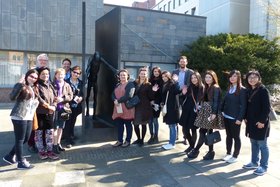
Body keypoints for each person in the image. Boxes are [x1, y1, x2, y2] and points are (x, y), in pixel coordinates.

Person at [3, 69, 39, 169]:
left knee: (26, 138)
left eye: (35, 78)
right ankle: (21, 162)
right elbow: (12, 97)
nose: (33, 79)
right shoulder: (21, 86)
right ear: (27, 76)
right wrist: (19, 84)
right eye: (31, 76)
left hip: (29, 116)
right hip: (19, 116)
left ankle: (10, 156)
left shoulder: (33, 87)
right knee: (19, 139)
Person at [188, 70, 222, 160]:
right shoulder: (208, 86)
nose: (207, 79)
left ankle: (196, 150)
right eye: (206, 77)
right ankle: (211, 152)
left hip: (210, 112)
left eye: (209, 77)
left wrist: (214, 113)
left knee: (202, 131)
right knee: (208, 132)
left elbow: (216, 101)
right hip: (205, 110)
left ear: (214, 78)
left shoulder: (215, 87)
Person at [243, 70, 270, 176]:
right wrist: (245, 117)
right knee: (253, 143)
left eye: (254, 77)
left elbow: (267, 108)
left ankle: (263, 166)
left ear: (259, 78)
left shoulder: (263, 90)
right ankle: (254, 162)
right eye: (250, 77)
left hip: (260, 122)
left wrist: (262, 121)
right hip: (251, 122)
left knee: (262, 144)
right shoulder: (249, 90)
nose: (252, 79)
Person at [221, 70, 247, 163]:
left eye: (235, 76)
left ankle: (235, 156)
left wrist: (240, 118)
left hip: (235, 118)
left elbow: (244, 106)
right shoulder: (230, 87)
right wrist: (222, 111)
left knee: (236, 137)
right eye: (231, 76)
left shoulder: (242, 90)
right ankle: (228, 153)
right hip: (227, 116)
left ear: (239, 78)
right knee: (228, 136)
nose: (232, 78)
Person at [28, 53, 50, 153]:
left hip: (44, 105)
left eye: (45, 60)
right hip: (34, 104)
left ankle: (43, 143)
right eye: (41, 60)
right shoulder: (34, 71)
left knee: (42, 126)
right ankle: (31, 144)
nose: (43, 62)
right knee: (34, 127)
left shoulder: (47, 71)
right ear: (38, 61)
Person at [35, 67, 58, 160]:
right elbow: (38, 98)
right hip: (40, 113)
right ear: (39, 75)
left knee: (50, 132)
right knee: (39, 133)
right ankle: (41, 151)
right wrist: (49, 106)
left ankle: (49, 151)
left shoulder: (50, 84)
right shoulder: (37, 86)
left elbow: (56, 97)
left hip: (50, 112)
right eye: (43, 74)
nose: (45, 76)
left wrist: (54, 106)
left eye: (47, 74)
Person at [179, 71, 204, 154]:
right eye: (192, 78)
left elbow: (204, 101)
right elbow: (183, 97)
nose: (193, 79)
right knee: (185, 130)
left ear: (198, 78)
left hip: (194, 111)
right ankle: (191, 145)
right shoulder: (189, 87)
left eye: (195, 78)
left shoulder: (202, 88)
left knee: (193, 130)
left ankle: (192, 147)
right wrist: (183, 94)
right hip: (186, 110)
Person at [172, 56, 194, 143]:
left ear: (186, 62)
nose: (182, 63)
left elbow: (192, 83)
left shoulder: (190, 72)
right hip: (177, 95)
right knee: (175, 114)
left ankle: (185, 137)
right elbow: (172, 83)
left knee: (185, 116)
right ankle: (175, 134)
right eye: (181, 61)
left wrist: (187, 88)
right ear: (179, 62)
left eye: (184, 61)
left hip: (186, 96)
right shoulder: (174, 71)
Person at [132, 68, 156, 146]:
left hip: (145, 107)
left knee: (143, 124)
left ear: (147, 75)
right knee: (135, 124)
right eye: (142, 73)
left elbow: (151, 96)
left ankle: (142, 140)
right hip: (136, 106)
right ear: (139, 74)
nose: (143, 75)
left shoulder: (148, 84)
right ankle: (138, 138)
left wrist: (153, 91)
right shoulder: (135, 83)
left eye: (144, 74)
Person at [112, 69, 135, 147]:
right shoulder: (117, 85)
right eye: (121, 75)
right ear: (119, 76)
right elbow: (112, 94)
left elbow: (129, 95)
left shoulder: (130, 84)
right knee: (119, 125)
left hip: (127, 108)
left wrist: (118, 100)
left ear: (127, 76)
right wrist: (114, 99)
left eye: (124, 75)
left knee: (128, 125)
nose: (122, 76)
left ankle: (128, 141)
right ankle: (120, 140)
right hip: (118, 108)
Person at [52, 68, 73, 154]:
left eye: (62, 74)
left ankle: (59, 143)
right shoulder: (52, 84)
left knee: (61, 127)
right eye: (58, 74)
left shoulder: (67, 84)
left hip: (64, 109)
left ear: (64, 75)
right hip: (55, 109)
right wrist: (56, 99)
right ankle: (54, 145)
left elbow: (70, 96)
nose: (60, 76)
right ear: (56, 75)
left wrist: (63, 99)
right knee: (55, 128)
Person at [160, 71, 181, 150]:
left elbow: (177, 91)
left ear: (169, 76)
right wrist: (162, 102)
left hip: (173, 108)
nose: (164, 78)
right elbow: (164, 96)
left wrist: (176, 81)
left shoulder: (173, 84)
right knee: (170, 126)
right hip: (168, 108)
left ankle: (172, 143)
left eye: (165, 76)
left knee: (173, 126)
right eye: (163, 77)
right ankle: (170, 142)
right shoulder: (164, 84)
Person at [64, 66, 83, 148]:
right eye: (74, 72)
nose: (76, 74)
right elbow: (64, 94)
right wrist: (73, 97)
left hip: (77, 106)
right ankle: (68, 140)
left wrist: (81, 98)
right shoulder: (66, 82)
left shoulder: (81, 82)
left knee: (73, 122)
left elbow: (82, 93)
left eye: (78, 73)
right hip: (68, 105)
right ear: (71, 72)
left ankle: (71, 135)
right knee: (68, 122)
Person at [148, 66, 163, 144]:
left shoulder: (162, 81)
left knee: (155, 120)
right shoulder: (149, 80)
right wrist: (150, 101)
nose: (156, 73)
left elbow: (162, 94)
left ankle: (156, 136)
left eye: (158, 71)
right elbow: (148, 93)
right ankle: (151, 136)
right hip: (150, 103)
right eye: (155, 71)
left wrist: (157, 101)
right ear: (152, 72)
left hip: (157, 103)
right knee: (149, 121)